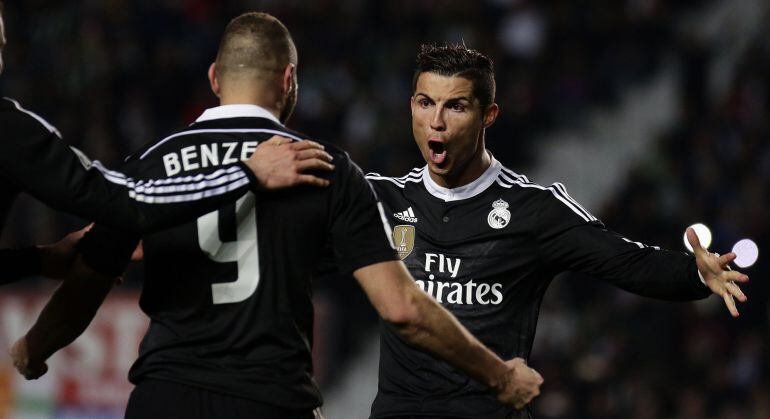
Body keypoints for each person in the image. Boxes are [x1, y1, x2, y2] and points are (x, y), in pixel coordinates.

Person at [10, 14, 544, 419]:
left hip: (164, 396)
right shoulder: (325, 169)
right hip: (270, 401)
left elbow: (89, 277)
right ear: (289, 79)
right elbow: (402, 309)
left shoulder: (151, 164)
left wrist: (37, 347)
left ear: (216, 77)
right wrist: (498, 375)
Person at [364, 44, 750, 419]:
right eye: (425, 102)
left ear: (489, 115)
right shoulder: (381, 198)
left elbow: (625, 260)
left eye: (456, 106)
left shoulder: (534, 210)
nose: (436, 121)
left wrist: (696, 274)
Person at [0, 2, 332, 284]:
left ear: (214, 78)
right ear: (288, 79)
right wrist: (245, 173)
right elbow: (116, 199)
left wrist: (36, 263)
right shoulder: (8, 126)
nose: (2, 63)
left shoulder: (153, 156)